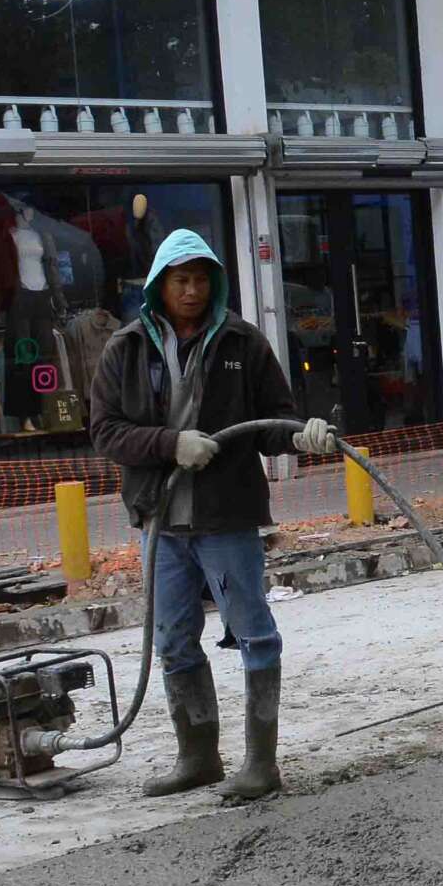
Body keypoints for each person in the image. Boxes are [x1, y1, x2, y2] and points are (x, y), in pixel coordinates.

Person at [91, 231, 337, 803]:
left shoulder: (242, 343)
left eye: (201, 279)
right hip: (160, 521)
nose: (193, 290)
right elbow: (105, 432)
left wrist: (306, 434)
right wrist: (170, 444)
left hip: (225, 517)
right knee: (174, 641)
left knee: (255, 634)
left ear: (215, 282)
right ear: (158, 285)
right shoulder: (125, 349)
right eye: (181, 280)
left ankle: (260, 765)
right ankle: (198, 757)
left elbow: (274, 419)